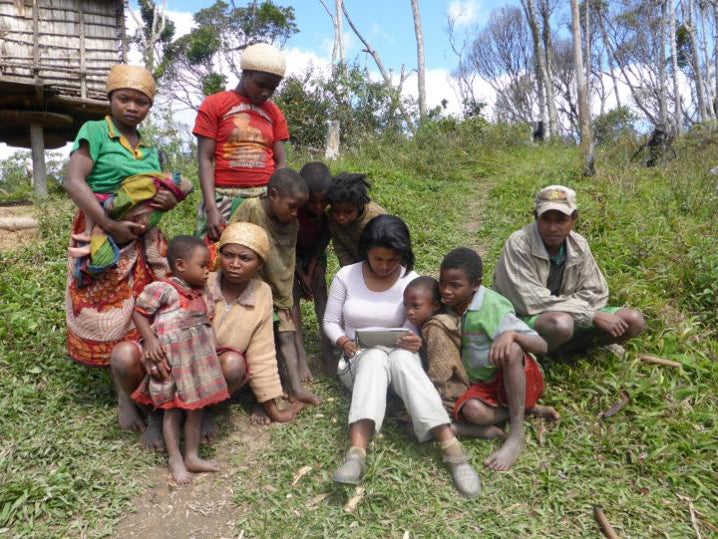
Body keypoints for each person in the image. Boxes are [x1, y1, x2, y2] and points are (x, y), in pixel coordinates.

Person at [64, 64, 183, 448]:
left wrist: (165, 198)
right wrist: (109, 225)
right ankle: (124, 395)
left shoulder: (149, 148)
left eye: (141, 101)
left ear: (150, 106)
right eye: (125, 98)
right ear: (110, 99)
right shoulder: (96, 132)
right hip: (103, 234)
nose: (132, 107)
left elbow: (157, 190)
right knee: (109, 310)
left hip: (145, 239)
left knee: (145, 310)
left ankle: (143, 390)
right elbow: (74, 181)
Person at [324, 215, 481, 498]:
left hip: (398, 360)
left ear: (403, 255)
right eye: (377, 259)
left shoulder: (411, 279)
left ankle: (452, 450)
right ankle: (356, 454)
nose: (384, 266)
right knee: (372, 358)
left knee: (401, 359)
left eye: (392, 260)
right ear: (366, 253)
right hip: (356, 358)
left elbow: (415, 323)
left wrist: (412, 340)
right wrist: (344, 340)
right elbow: (330, 322)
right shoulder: (346, 276)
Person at [439, 248, 558, 471]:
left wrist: (511, 334)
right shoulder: (447, 303)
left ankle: (515, 436)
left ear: (476, 284)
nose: (446, 290)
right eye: (442, 282)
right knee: (472, 412)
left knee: (512, 350)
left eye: (455, 285)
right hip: (481, 387)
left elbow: (542, 346)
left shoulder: (493, 308)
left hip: (512, 378)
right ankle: (525, 408)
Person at [492, 185, 646, 355]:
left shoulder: (578, 244)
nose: (552, 227)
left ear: (574, 219)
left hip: (571, 313)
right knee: (561, 324)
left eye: (560, 220)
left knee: (633, 320)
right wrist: (589, 315)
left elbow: (597, 291)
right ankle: (538, 353)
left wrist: (575, 310)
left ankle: (576, 348)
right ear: (536, 217)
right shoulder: (519, 243)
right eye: (546, 219)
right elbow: (529, 300)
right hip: (523, 316)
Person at [131, 236, 228, 484]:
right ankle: (175, 457)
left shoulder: (203, 292)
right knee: (171, 412)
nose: (208, 270)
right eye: (203, 265)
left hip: (197, 365)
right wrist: (150, 341)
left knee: (195, 411)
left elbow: (206, 322)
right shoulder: (163, 289)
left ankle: (192, 456)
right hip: (173, 365)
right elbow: (139, 312)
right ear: (181, 265)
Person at [229, 168, 322, 405]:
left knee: (287, 335)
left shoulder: (292, 225)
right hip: (249, 288)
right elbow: (231, 240)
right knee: (263, 341)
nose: (295, 213)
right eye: (291, 206)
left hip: (278, 293)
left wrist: (284, 301)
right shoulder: (251, 209)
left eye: (298, 208)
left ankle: (296, 388)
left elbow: (286, 264)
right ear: (273, 195)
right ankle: (262, 396)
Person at [207, 222, 304, 426]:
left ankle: (206, 410)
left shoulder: (262, 293)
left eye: (245, 258)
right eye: (228, 255)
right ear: (219, 255)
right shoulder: (204, 282)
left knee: (234, 364)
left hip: (225, 368)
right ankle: (157, 416)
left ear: (259, 264)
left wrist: (273, 410)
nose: (234, 263)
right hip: (187, 361)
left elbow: (262, 352)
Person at [193, 42, 289, 242]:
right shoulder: (215, 104)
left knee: (258, 262)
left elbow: (281, 163)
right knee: (214, 261)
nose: (265, 92)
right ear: (245, 74)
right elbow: (205, 159)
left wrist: (274, 203)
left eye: (272, 88)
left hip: (263, 200)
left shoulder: (274, 113)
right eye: (261, 84)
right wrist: (211, 208)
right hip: (223, 198)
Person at [404, 276, 504, 442]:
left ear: (435, 306)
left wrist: (427, 396)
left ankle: (474, 430)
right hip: (451, 389)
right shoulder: (436, 322)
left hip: (449, 391)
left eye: (416, 306)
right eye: (406, 306)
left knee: (413, 426)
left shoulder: (435, 327)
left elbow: (441, 370)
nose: (409, 311)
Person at [293, 162, 334, 371]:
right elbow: (286, 245)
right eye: (313, 202)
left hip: (314, 256)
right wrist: (299, 274)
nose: (318, 207)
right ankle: (300, 355)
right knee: (291, 294)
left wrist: (309, 271)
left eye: (323, 201)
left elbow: (321, 244)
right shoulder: (292, 209)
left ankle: (328, 348)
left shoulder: (330, 211)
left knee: (320, 285)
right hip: (289, 255)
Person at [327, 173, 385, 267]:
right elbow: (341, 250)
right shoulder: (332, 217)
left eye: (348, 212)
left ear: (360, 206)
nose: (341, 217)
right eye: (336, 211)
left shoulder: (376, 219)